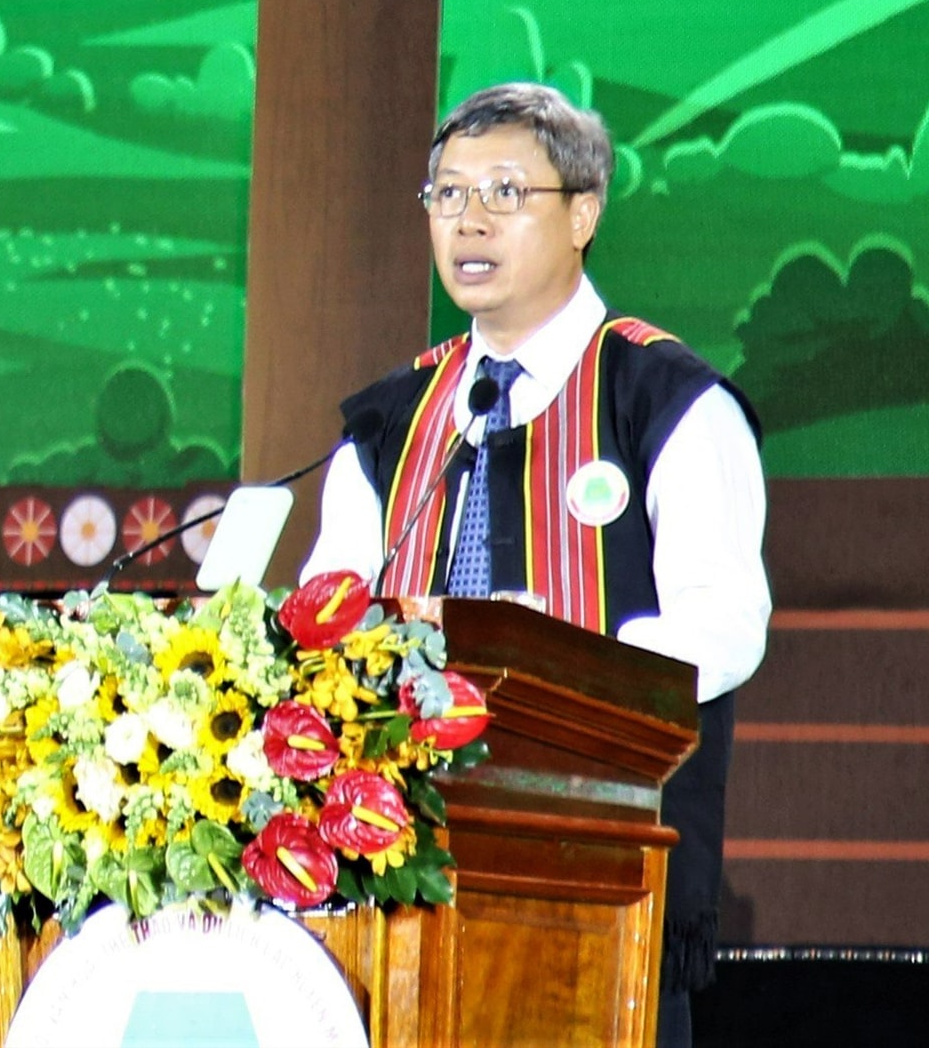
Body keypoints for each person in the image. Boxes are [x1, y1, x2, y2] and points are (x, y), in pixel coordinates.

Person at [301, 82, 770, 1048]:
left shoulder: (668, 401)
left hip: (596, 891)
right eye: (446, 194)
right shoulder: (389, 424)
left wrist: (548, 670)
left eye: (507, 192)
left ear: (584, 213)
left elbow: (725, 623)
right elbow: (326, 615)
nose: (469, 220)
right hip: (394, 884)